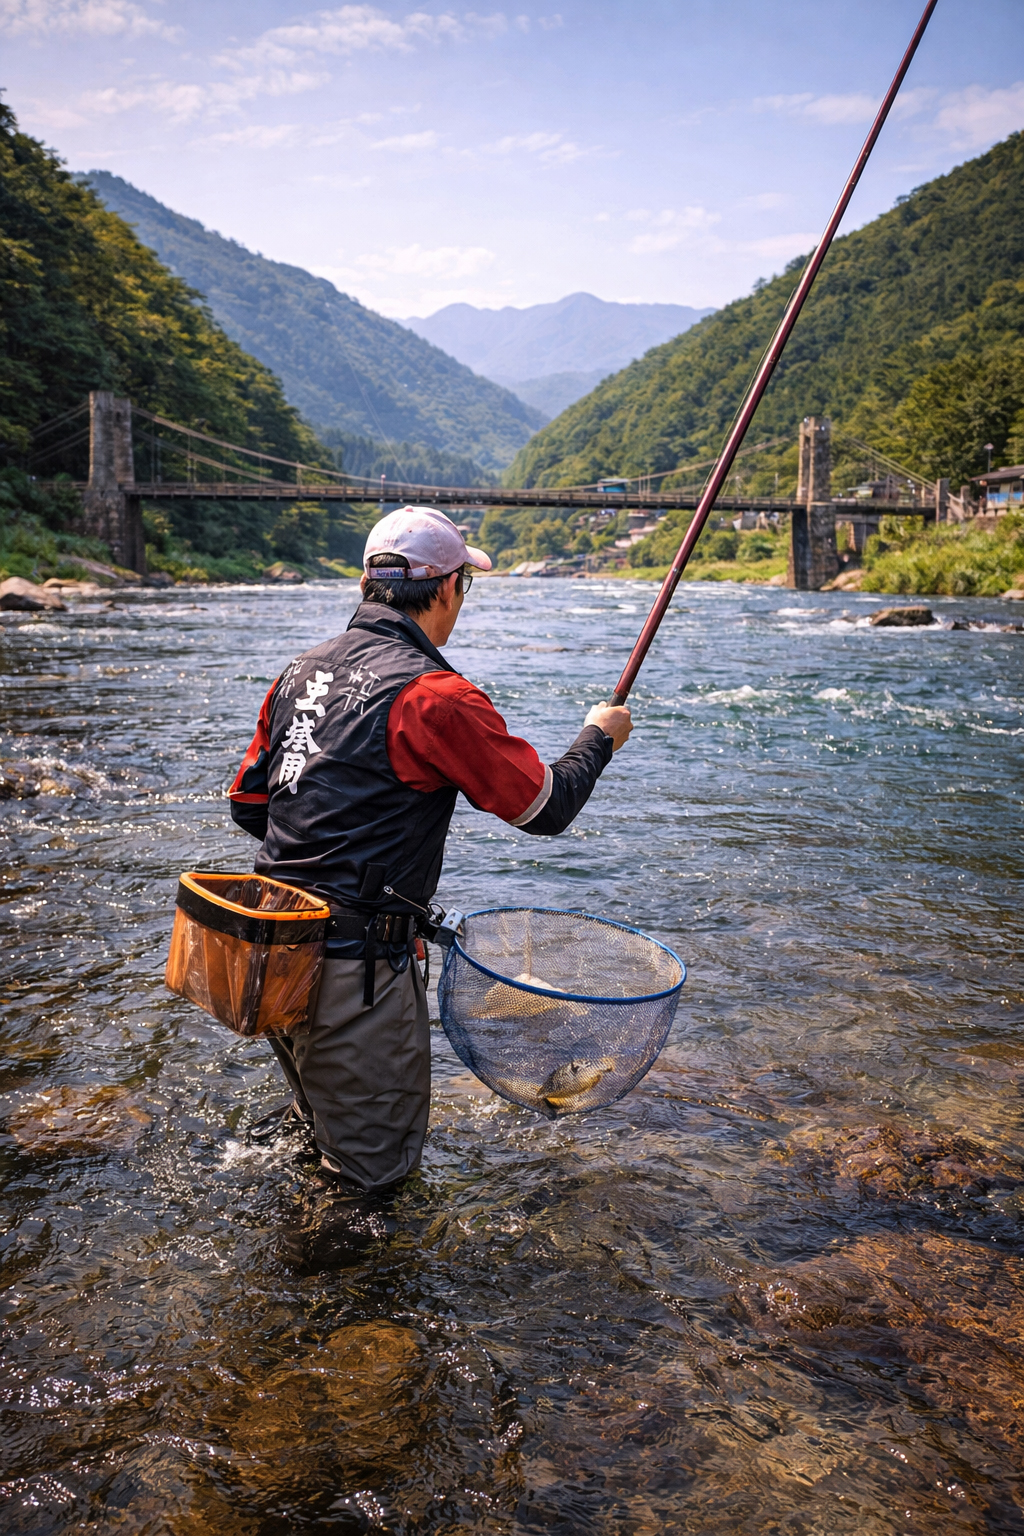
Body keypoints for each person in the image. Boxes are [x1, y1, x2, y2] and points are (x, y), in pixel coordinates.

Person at [229, 506, 631, 1256]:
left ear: (366, 583)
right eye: (462, 589)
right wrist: (598, 738)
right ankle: (326, 1350)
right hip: (355, 971)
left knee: (315, 1135)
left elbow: (250, 804)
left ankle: (290, 1319)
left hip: (267, 954)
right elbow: (545, 808)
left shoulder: (299, 672)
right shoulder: (435, 695)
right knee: (370, 1183)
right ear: (447, 589)